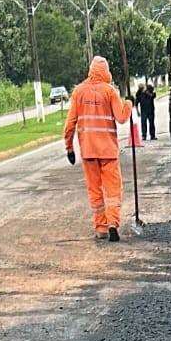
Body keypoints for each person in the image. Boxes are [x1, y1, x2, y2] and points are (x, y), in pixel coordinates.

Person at [63, 56, 133, 242]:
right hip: (108, 151)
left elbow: (70, 124)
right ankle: (113, 224)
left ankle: (101, 227)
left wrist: (69, 148)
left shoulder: (78, 92)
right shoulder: (109, 91)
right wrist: (129, 104)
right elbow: (121, 117)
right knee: (113, 191)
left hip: (88, 151)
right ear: (106, 71)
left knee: (95, 191)